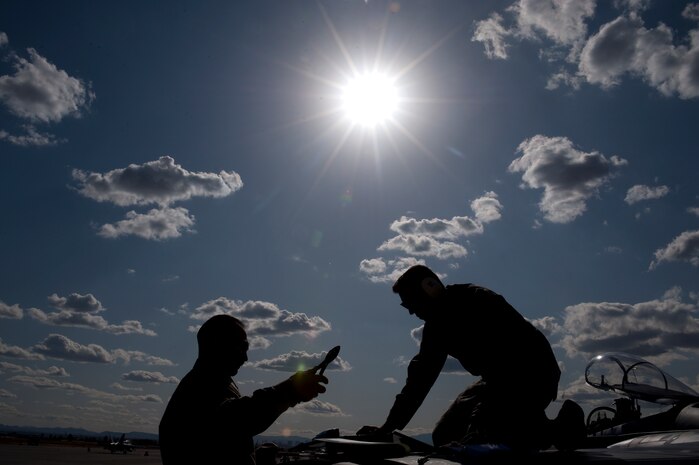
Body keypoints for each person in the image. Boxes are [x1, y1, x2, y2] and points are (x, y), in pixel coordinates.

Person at [357, 265, 584, 451]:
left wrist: (481, 418)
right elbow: (419, 380)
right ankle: (535, 426)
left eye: (410, 303)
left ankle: (559, 428)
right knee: (445, 435)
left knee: (484, 435)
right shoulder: (435, 328)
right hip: (495, 381)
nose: (410, 311)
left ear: (430, 288)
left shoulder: (479, 300)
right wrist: (387, 428)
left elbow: (511, 358)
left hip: (534, 373)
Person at [159, 314, 329, 465]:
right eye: (241, 347)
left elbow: (224, 441)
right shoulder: (199, 387)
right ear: (217, 343)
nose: (245, 357)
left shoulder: (215, 382)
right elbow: (233, 421)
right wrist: (291, 390)